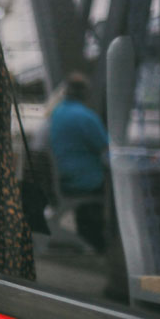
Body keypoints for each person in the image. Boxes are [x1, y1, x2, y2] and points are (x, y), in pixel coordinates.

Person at [48, 72, 109, 251]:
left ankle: (89, 237)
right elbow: (105, 147)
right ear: (85, 93)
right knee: (117, 188)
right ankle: (100, 243)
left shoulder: (57, 113)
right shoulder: (85, 117)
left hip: (64, 176)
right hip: (85, 180)